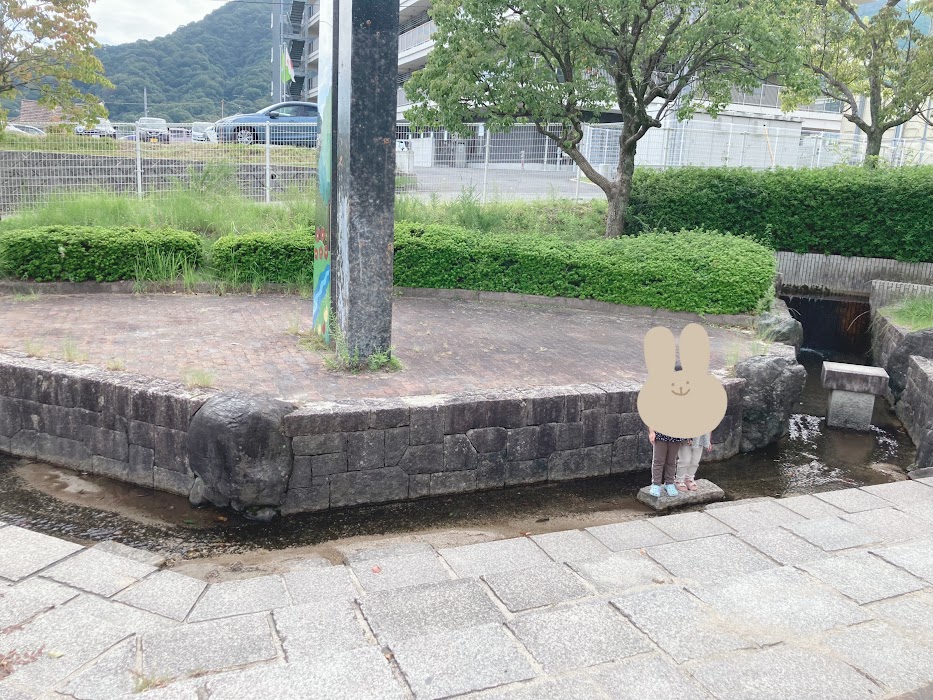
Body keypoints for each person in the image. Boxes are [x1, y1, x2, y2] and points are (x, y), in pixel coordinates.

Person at [648, 428, 688, 498]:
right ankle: (656, 484)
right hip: (660, 434)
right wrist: (652, 432)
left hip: (676, 435)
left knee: (671, 461)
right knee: (658, 461)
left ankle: (669, 483)